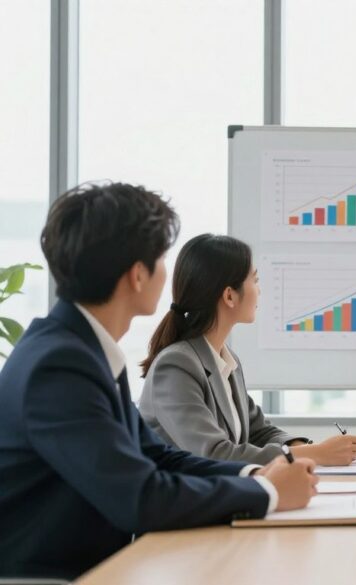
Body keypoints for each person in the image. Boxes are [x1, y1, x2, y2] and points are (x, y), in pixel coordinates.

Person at [0, 183, 318, 580]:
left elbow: (157, 456)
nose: (168, 274)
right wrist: (268, 494)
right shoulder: (59, 365)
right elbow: (139, 496)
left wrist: (256, 476)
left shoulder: (81, 350)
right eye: (162, 258)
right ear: (137, 274)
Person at [139, 234, 356, 465]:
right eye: (255, 280)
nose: (260, 290)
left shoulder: (225, 361)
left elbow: (259, 432)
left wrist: (305, 448)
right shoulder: (176, 365)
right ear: (229, 296)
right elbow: (214, 454)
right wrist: (315, 455)